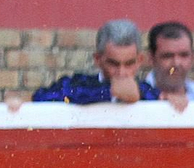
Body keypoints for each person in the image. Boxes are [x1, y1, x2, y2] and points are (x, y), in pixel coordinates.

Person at [30, 19, 165, 106]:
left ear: (139, 60)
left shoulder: (147, 91)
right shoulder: (76, 84)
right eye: (113, 63)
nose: (121, 72)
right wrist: (109, 92)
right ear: (98, 60)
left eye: (129, 63)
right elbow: (41, 98)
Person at [145, 20, 194, 101]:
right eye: (168, 56)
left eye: (184, 55)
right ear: (151, 58)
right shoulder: (139, 95)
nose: (176, 63)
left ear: (192, 57)